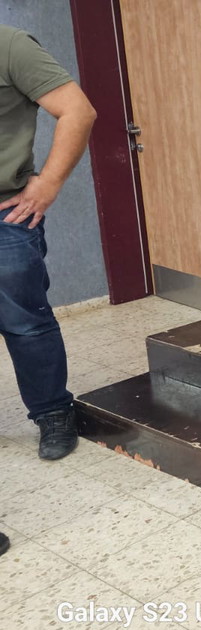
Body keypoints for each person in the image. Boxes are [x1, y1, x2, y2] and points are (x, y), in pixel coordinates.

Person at [0, 25, 97, 461]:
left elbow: (78, 111)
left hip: (6, 216)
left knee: (25, 323)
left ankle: (53, 412)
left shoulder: (9, 45)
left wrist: (49, 183)